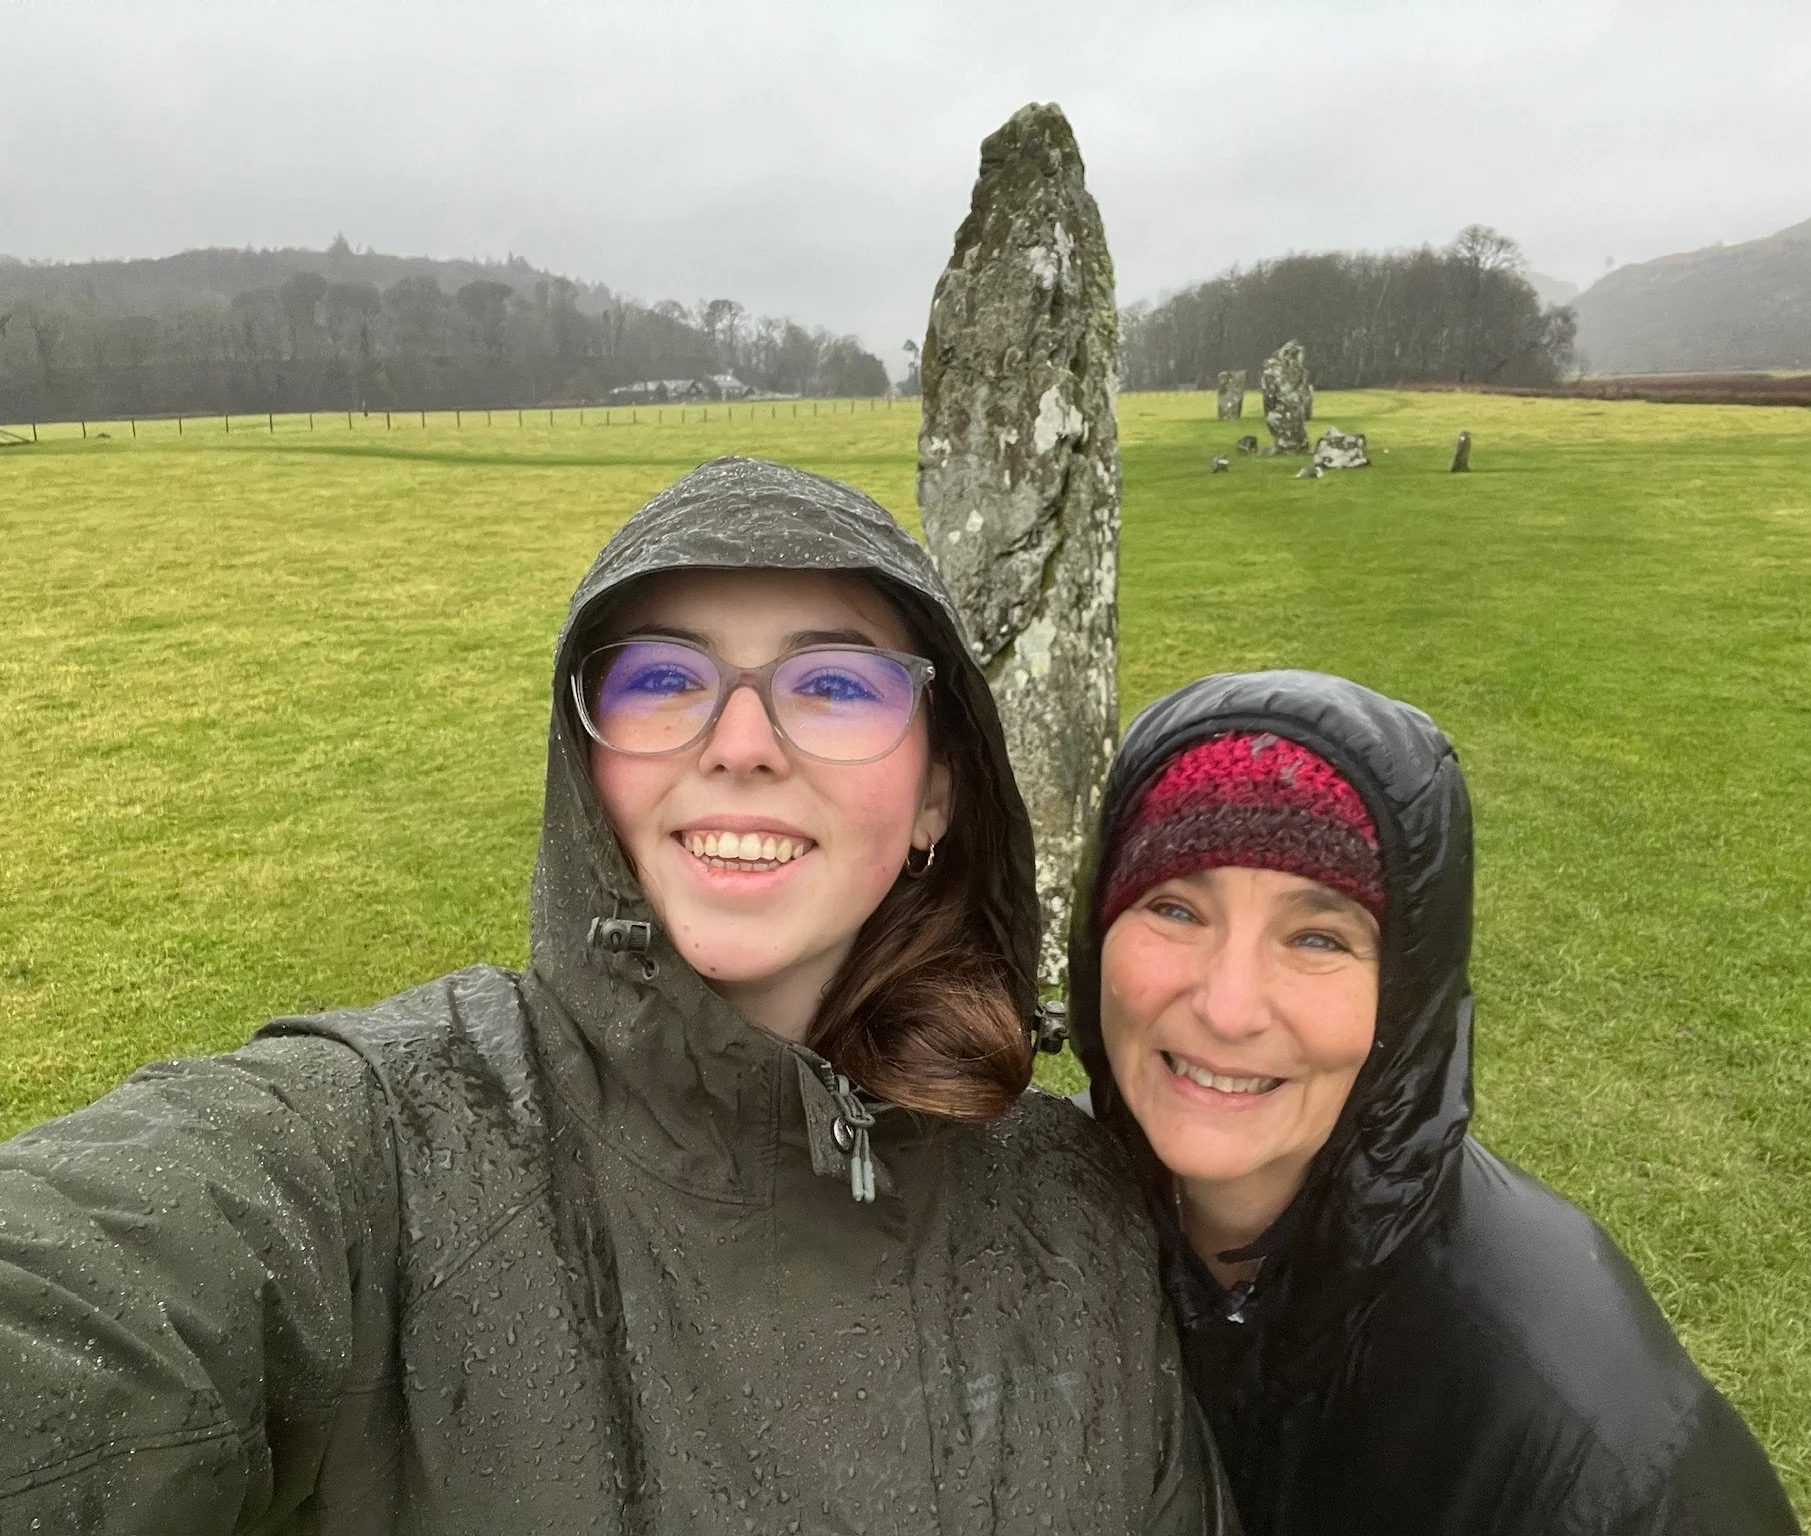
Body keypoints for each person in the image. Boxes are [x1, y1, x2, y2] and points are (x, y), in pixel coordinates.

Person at [0, 457, 1232, 1534]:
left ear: (935, 797)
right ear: (587, 763)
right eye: (661, 678)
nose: (740, 742)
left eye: (833, 684)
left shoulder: (1076, 1207)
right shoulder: (381, 1156)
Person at [1068, 670, 1800, 1535]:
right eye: (1176, 908)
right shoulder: (1028, 1219)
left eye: (1317, 938)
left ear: (1408, 1000)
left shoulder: (1595, 1446)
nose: (1228, 1008)